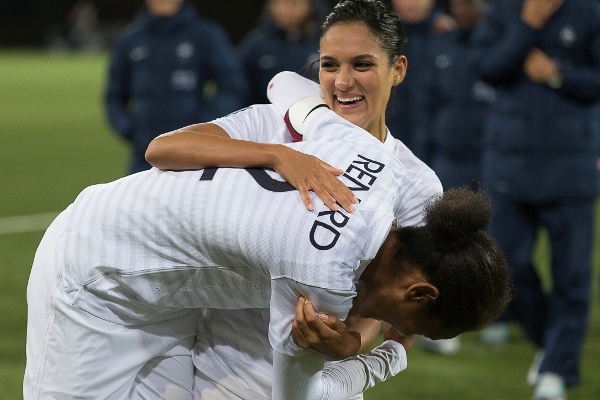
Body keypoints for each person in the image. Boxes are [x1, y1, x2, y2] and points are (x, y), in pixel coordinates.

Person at [24, 91, 512, 399]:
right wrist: (383, 361)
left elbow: (287, 87)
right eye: (415, 328)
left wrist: (282, 154)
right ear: (420, 293)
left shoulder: (373, 160)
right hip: (94, 279)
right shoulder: (326, 277)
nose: (398, 331)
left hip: (173, 299)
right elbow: (299, 395)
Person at [470, 0, 600, 399]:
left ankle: (556, 373)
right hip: (510, 166)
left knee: (572, 278)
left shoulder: (590, 11)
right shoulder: (504, 10)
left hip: (571, 168)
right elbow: (486, 66)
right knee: (505, 266)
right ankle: (550, 344)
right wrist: (528, 24)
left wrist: (558, 74)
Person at [104, 0, 248, 175]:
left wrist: (204, 126)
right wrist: (129, 128)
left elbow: (231, 87)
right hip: (144, 156)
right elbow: (114, 96)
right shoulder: (130, 39)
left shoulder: (205, 35)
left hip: (193, 155)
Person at [419, 0, 493, 192]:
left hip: (488, 158)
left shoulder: (499, 49)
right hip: (447, 158)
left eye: (467, 4)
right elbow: (427, 105)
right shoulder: (441, 44)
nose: (460, 10)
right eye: (456, 4)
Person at [237, 0, 324, 106]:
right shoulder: (254, 46)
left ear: (311, 6)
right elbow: (238, 91)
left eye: (293, 4)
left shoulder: (326, 42)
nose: (284, 10)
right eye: (278, 2)